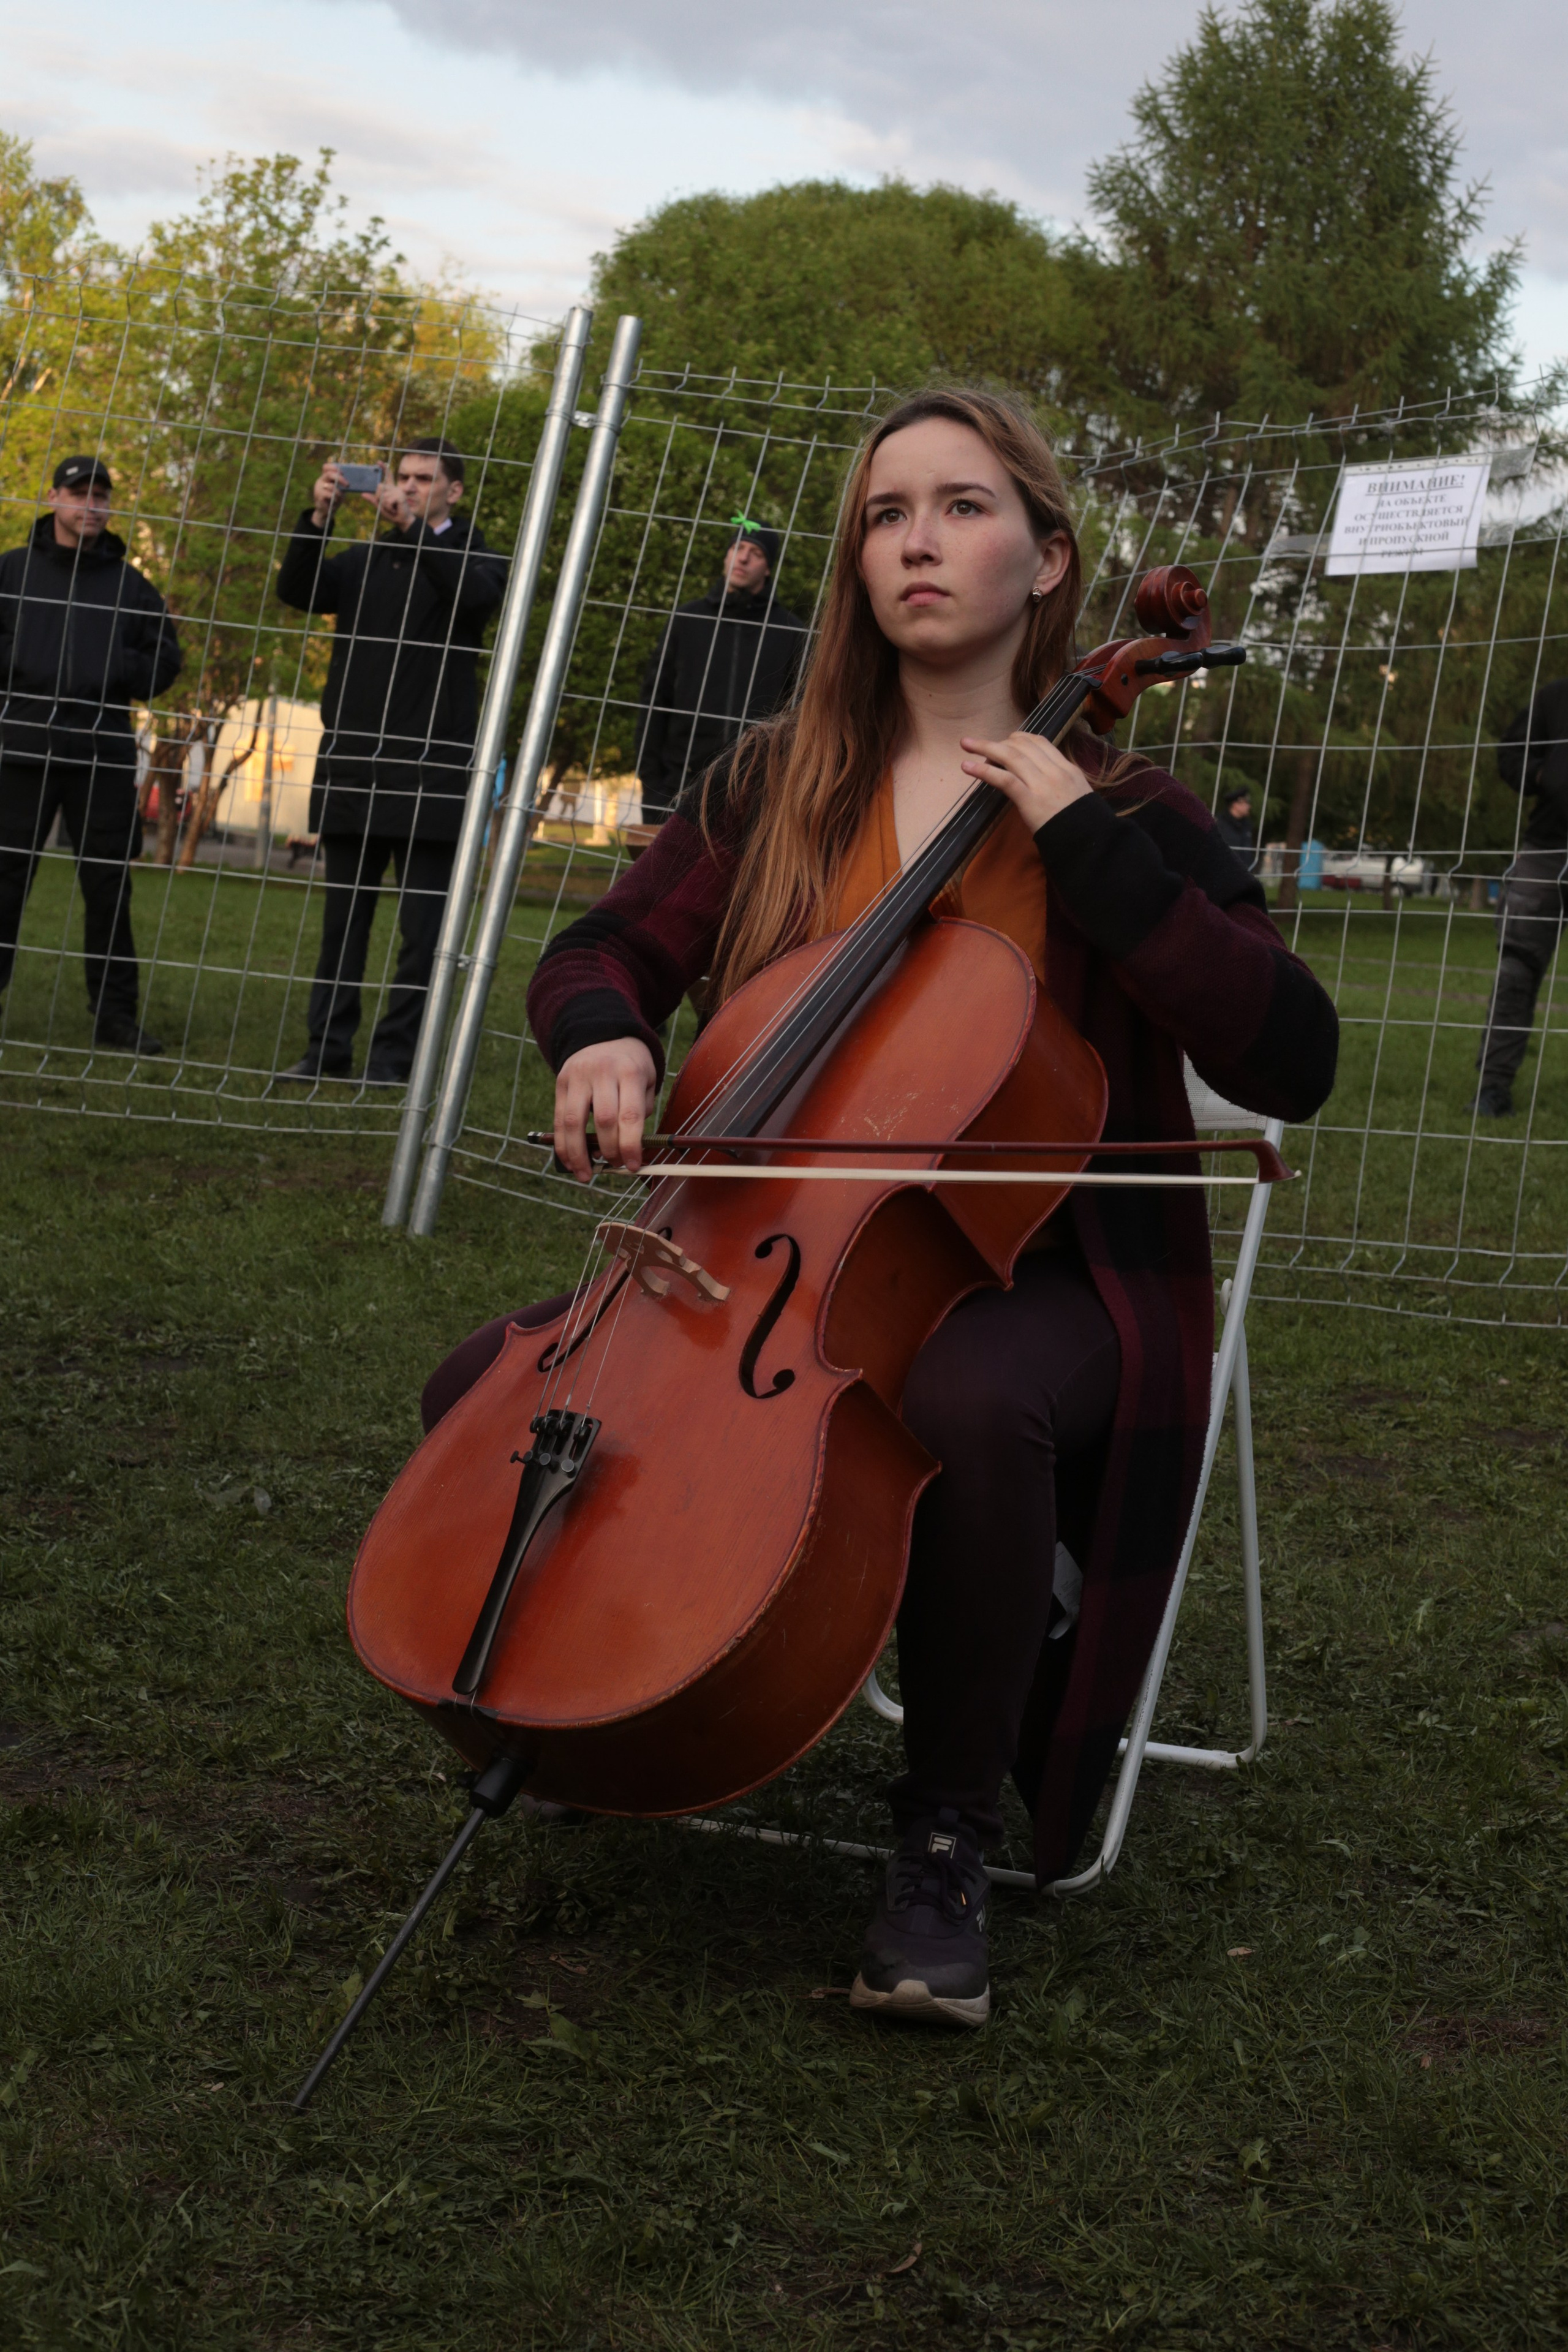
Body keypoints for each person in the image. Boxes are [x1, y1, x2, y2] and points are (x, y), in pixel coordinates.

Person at [419, 390, 1338, 2028]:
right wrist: (606, 1037)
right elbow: (600, 953)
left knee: (966, 1401)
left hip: (1053, 1276)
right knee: (487, 1398)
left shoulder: (1138, 816)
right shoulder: (786, 783)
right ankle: (612, 1703)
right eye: (886, 510)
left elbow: (1292, 1049)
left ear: (1049, 558)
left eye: (965, 506)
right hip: (760, 1263)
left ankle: (944, 1833)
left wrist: (1084, 845)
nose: (917, 536)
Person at [274, 439, 506, 1084]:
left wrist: (412, 530)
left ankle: (395, 1060)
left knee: (421, 935)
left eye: (423, 479)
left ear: (453, 491)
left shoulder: (478, 557)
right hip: (354, 765)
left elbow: (474, 600)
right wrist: (317, 517)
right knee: (342, 926)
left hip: (433, 772)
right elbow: (297, 589)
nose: (406, 488)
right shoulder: (365, 560)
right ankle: (325, 1052)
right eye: (399, 477)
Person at [0, 456, 181, 1052]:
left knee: (108, 888)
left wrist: (114, 668)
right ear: (53, 498)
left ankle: (115, 1017)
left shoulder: (131, 586)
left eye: (102, 497)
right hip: (21, 748)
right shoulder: (12, 572)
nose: (92, 506)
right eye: (80, 495)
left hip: (102, 754)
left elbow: (165, 660)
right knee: (5, 881)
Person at [633, 518, 807, 822]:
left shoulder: (791, 631)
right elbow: (653, 707)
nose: (743, 557)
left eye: (756, 553)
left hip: (756, 802)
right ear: (727, 556)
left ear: (768, 568)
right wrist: (654, 794)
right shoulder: (687, 620)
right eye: (738, 548)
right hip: (678, 793)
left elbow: (801, 719)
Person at [1470, 679, 1568, 1118]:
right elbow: (1509, 756)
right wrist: (1545, 775)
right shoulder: (1554, 696)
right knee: (1516, 971)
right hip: (1546, 851)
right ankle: (1494, 1088)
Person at [1213, 785, 1256, 869]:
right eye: (1246, 803)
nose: (1249, 806)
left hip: (1244, 875)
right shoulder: (1219, 824)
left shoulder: (1247, 826)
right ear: (1236, 804)